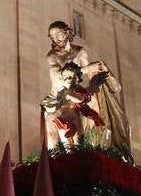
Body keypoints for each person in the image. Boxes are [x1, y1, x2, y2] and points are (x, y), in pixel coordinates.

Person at [44, 21, 132, 160]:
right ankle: (51, 164)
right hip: (57, 98)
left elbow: (87, 75)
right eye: (52, 36)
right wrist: (87, 69)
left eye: (58, 34)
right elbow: (60, 77)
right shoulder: (52, 56)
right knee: (53, 138)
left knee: (77, 140)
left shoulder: (80, 52)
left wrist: (99, 78)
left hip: (75, 97)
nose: (56, 39)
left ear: (67, 32)